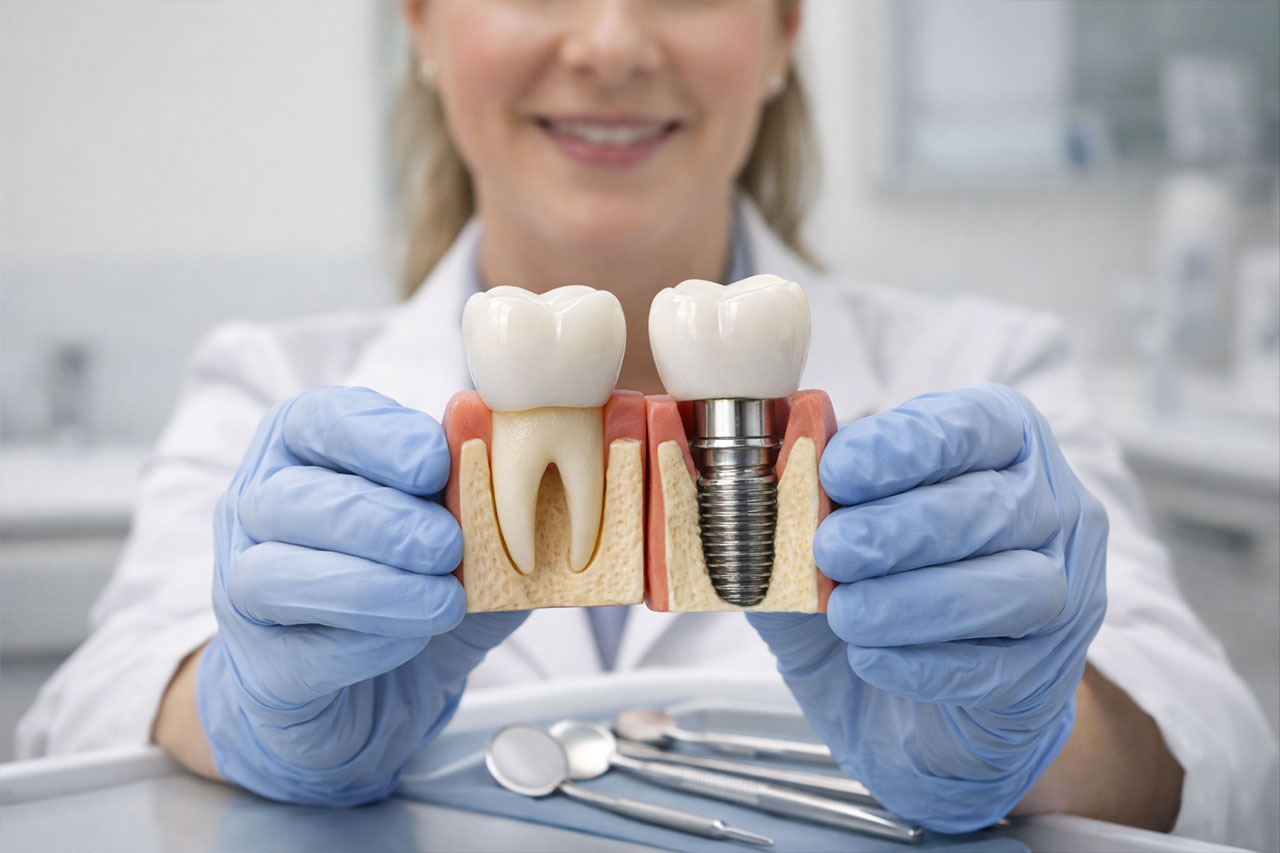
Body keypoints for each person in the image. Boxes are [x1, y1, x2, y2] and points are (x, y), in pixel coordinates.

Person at [17, 1, 1277, 846]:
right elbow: (85, 719)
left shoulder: (986, 365)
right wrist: (247, 708)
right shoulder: (260, 379)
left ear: (783, 32)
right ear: (421, 25)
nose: (612, 41)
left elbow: (1210, 753)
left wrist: (1027, 729)